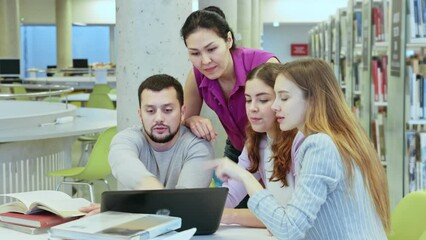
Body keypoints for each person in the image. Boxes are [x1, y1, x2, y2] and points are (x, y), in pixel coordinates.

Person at [211, 58, 390, 239]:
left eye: (284, 98)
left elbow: (289, 229)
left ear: (312, 100)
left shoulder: (319, 145)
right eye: (248, 100)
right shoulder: (330, 139)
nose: (275, 106)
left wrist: (244, 176)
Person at [80, 74, 215, 215]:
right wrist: (150, 186)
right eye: (150, 111)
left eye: (167, 110)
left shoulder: (198, 145)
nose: (159, 118)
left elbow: (184, 204)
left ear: (182, 112)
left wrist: (121, 206)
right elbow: (122, 162)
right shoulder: (127, 138)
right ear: (140, 114)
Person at [180, 6, 279, 164]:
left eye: (212, 49)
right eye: (195, 53)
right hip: (237, 148)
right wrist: (191, 120)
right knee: (228, 189)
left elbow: (289, 115)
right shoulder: (197, 75)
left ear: (229, 40)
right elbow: (183, 120)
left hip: (274, 149)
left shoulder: (263, 64)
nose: (205, 61)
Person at [221, 62, 302, 227]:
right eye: (248, 100)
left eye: (263, 100)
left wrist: (232, 215)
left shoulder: (302, 143)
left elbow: (291, 218)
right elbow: (228, 197)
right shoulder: (256, 141)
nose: (252, 108)